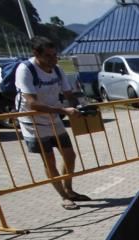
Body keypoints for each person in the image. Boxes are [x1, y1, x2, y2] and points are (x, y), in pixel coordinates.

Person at [15, 36, 89, 211]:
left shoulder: (57, 70)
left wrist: (80, 107)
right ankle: (63, 197)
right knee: (49, 160)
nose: (53, 59)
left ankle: (69, 189)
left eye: (55, 55)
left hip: (53, 119)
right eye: (48, 56)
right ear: (36, 54)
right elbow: (32, 102)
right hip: (34, 124)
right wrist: (64, 111)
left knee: (70, 156)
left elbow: (68, 94)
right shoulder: (25, 70)